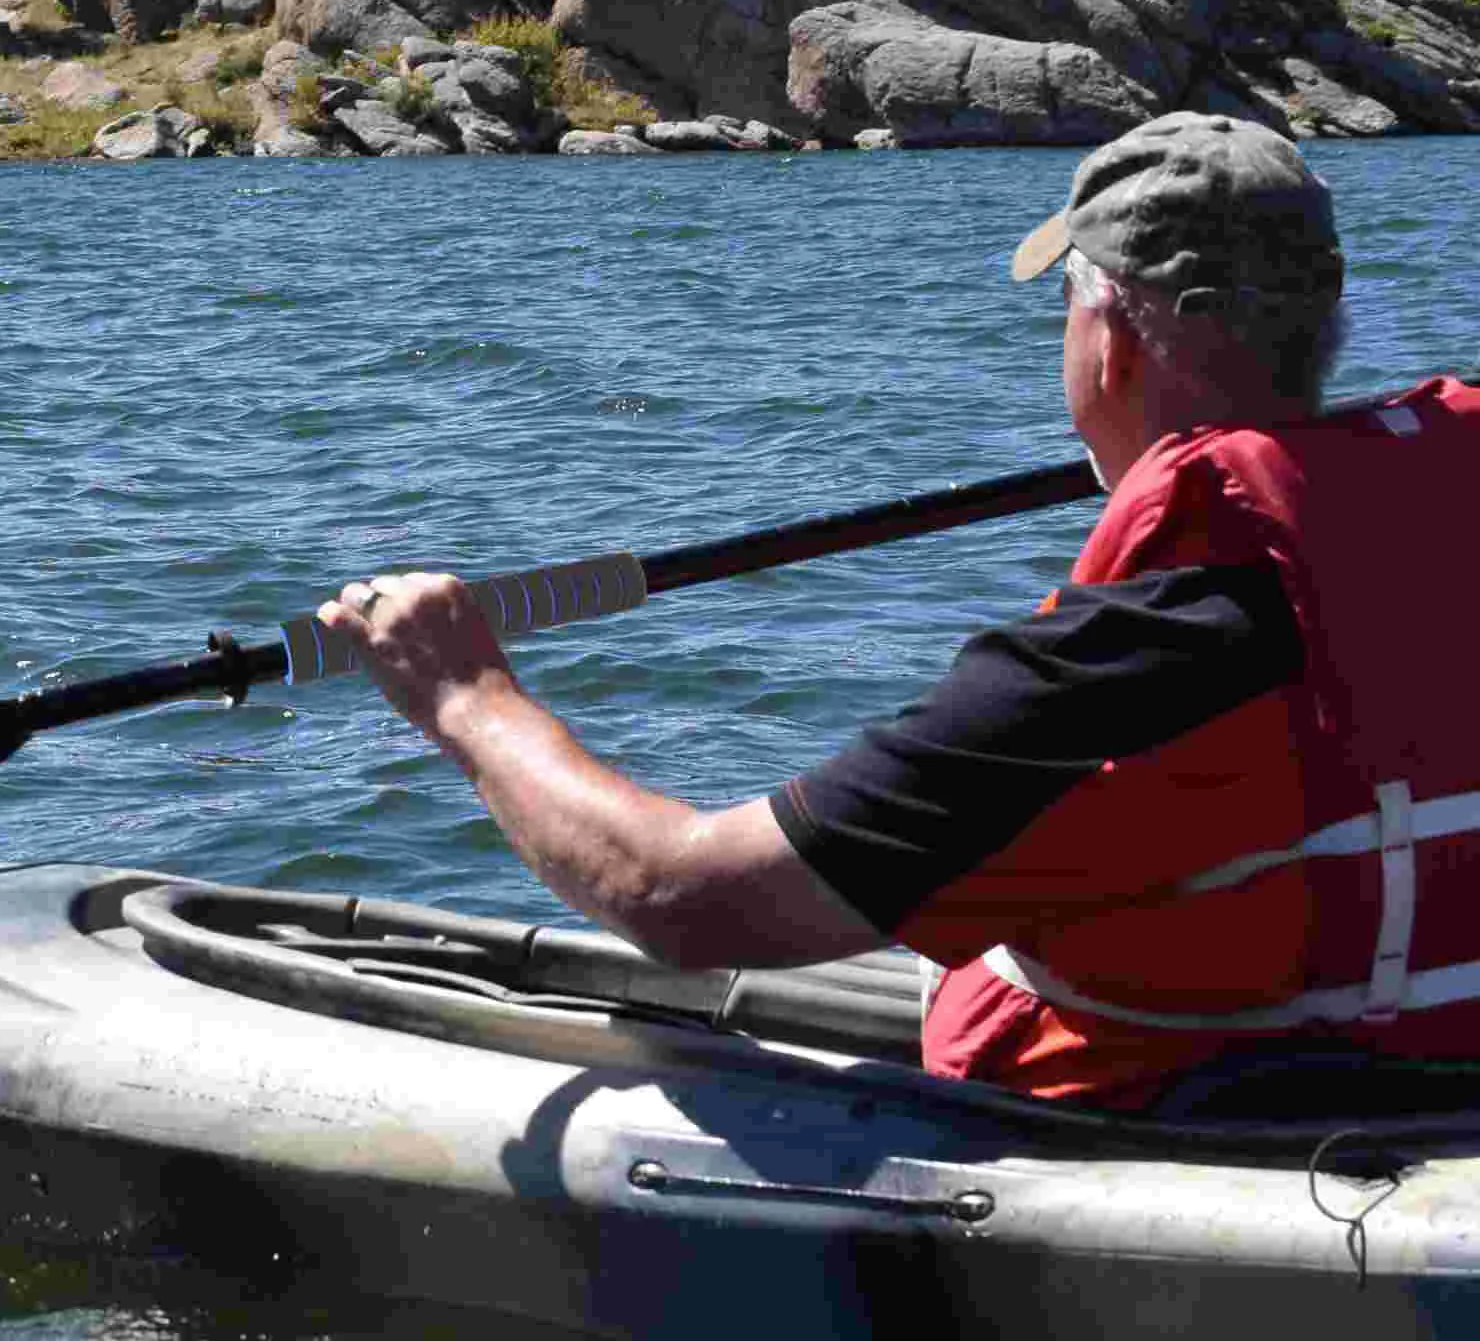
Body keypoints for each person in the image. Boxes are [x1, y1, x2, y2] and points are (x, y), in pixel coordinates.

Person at [319, 111, 1480, 1112]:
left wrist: (462, 689)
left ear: (1109, 340)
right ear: (1320, 327)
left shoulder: (1134, 652)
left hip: (1178, 1125)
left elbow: (680, 895)